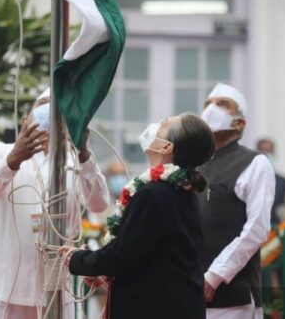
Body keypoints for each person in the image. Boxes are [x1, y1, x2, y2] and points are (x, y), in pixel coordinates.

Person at [60, 114, 216, 319]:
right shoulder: (178, 191)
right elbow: (148, 255)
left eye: (163, 125)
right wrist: (105, 273)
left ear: (167, 147)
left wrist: (77, 258)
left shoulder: (155, 193)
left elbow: (122, 253)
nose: (155, 125)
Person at [0, 88, 110, 319]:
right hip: (1, 293)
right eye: (43, 111)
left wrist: (84, 153)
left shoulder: (72, 162)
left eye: (56, 114)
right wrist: (13, 159)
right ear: (25, 120)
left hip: (57, 293)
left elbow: (99, 203)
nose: (48, 120)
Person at [197, 83, 275, 319]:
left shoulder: (255, 163)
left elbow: (257, 229)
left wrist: (215, 275)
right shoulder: (193, 164)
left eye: (222, 104)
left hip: (233, 297)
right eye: (208, 104)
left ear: (239, 122)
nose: (211, 109)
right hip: (191, 293)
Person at [256, 138, 285, 226]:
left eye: (270, 151)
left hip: (275, 227)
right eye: (263, 150)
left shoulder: (282, 181)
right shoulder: (247, 178)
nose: (267, 154)